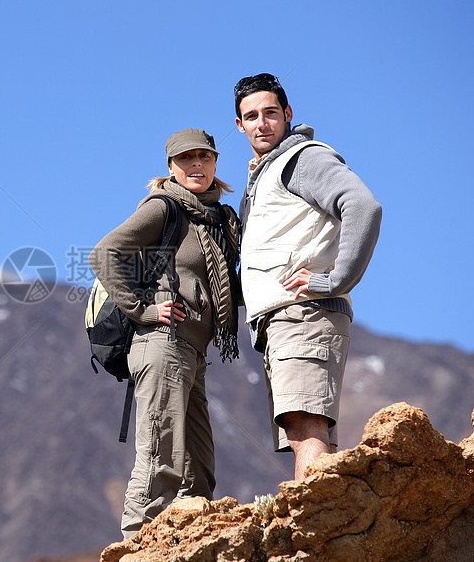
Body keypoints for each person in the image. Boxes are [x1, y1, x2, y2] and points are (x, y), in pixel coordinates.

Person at [89, 129, 241, 537]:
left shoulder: (220, 220)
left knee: (199, 473)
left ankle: (188, 544)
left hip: (194, 352)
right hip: (161, 346)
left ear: (214, 164)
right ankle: (136, 544)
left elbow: (232, 287)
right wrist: (142, 310)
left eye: (204, 158)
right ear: (170, 167)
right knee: (161, 458)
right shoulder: (164, 209)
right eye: (186, 159)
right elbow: (103, 253)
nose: (197, 165)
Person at [233, 73, 382, 480]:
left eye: (270, 113)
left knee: (306, 431)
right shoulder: (265, 173)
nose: (261, 123)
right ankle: (327, 529)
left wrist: (333, 281)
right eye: (251, 116)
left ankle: (311, 535)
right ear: (239, 125)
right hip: (284, 320)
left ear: (288, 114)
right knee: (312, 434)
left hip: (303, 316)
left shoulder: (302, 159)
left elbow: (363, 206)